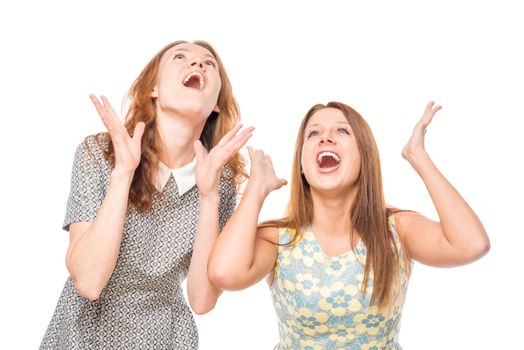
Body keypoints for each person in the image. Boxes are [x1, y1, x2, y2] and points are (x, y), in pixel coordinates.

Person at [208, 101, 490, 349]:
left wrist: (418, 156)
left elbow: (471, 244)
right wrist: (256, 189)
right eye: (313, 133)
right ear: (303, 165)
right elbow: (223, 274)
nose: (325, 138)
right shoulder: (281, 238)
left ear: (364, 157)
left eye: (342, 131)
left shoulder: (397, 230)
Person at [40, 40, 253, 350]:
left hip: (166, 338)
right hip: (83, 337)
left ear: (217, 103)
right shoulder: (100, 154)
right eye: (180, 57)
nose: (197, 65)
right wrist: (123, 174)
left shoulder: (220, 181)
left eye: (209, 63)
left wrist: (209, 198)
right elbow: (88, 281)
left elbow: (202, 300)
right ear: (154, 88)